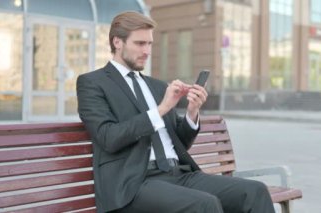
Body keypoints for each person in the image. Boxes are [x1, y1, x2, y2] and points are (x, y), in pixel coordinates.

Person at [76, 11, 275, 213]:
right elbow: (108, 137)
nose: (147, 51)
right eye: (140, 43)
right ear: (117, 42)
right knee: (205, 204)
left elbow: (181, 142)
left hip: (179, 174)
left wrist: (192, 111)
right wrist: (161, 109)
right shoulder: (93, 83)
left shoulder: (157, 86)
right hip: (134, 184)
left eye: (149, 44)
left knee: (255, 191)